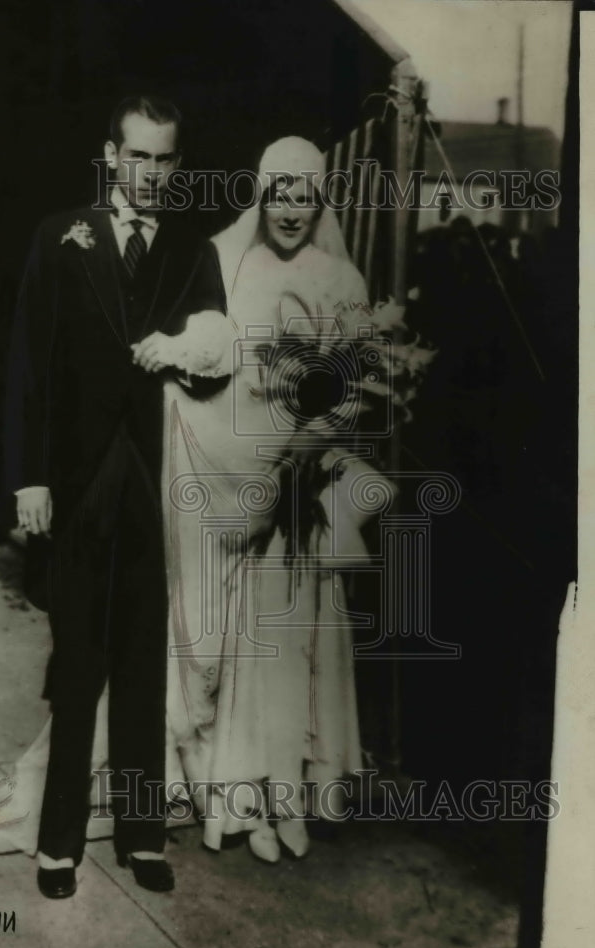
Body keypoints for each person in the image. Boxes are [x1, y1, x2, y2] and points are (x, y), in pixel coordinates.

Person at [133, 136, 424, 863]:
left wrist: (304, 450)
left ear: (320, 198)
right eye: (279, 193)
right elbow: (209, 355)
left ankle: (290, 796)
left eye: (304, 194)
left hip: (305, 484)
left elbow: (354, 390)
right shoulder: (227, 262)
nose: (291, 209)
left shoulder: (342, 278)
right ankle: (238, 802)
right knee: (238, 650)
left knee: (293, 644)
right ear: (260, 195)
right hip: (239, 480)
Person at [2, 94, 226, 899]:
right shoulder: (62, 238)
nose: (153, 174)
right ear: (111, 155)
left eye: (166, 160)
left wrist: (192, 349)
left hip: (156, 479)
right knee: (78, 663)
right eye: (139, 157)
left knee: (142, 660)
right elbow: (29, 360)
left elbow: (218, 350)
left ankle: (141, 835)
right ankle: (58, 842)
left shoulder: (194, 249)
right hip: (76, 479)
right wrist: (27, 476)